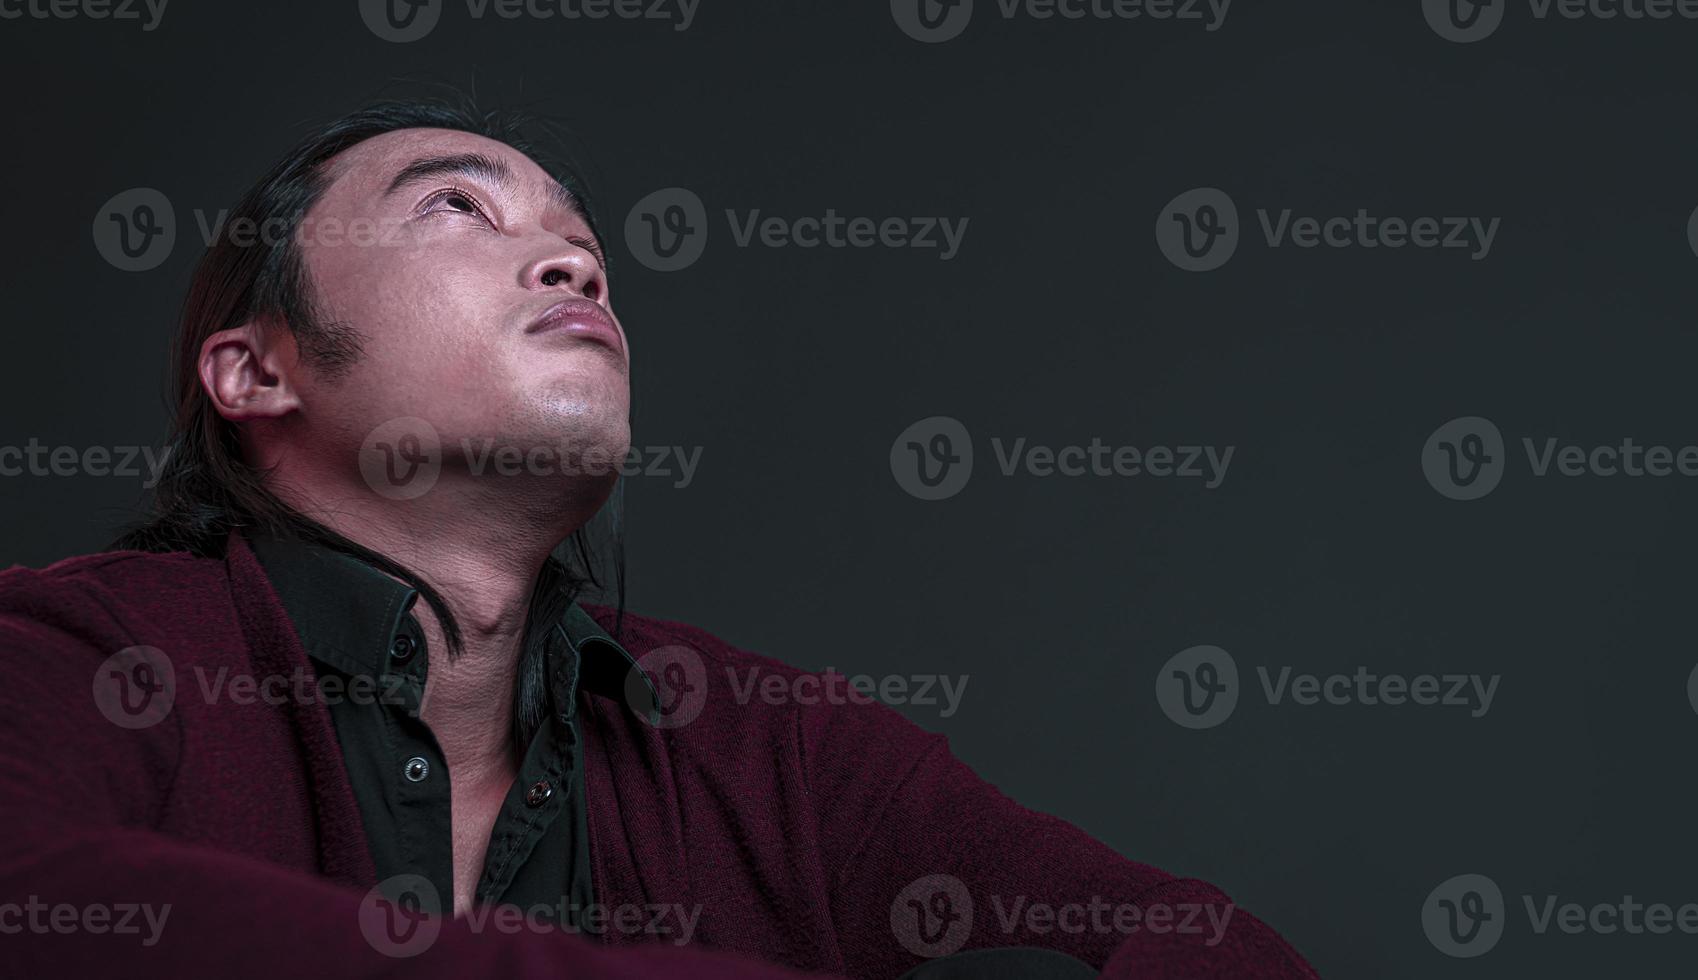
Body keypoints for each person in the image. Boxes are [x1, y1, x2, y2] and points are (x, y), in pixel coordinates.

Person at [0, 98, 1318, 979]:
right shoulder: (82, 653)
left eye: (581, 241)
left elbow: (1191, 946)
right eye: (458, 209)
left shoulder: (772, 748)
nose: (574, 261)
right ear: (257, 373)